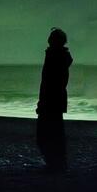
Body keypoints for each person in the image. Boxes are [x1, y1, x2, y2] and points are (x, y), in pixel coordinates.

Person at [36, 27, 73, 171]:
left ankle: (55, 163)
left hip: (50, 99)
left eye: (51, 37)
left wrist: (42, 101)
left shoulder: (54, 55)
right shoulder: (59, 55)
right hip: (56, 99)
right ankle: (57, 163)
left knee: (46, 133)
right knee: (55, 132)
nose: (49, 39)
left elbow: (48, 82)